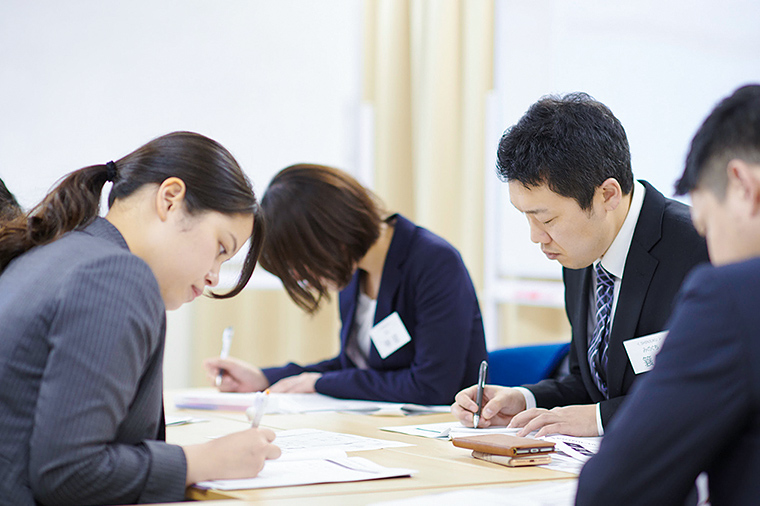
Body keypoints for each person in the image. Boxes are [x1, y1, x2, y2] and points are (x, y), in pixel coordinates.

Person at [0, 132, 280, 505]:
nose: (214, 276)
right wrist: (202, 461)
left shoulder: (58, 251)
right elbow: (68, 473)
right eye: (220, 248)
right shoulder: (116, 275)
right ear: (170, 199)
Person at [452, 92, 708, 437]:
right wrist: (525, 400)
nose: (536, 237)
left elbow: (703, 389)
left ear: (607, 195)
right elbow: (593, 383)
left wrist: (600, 419)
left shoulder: (700, 248)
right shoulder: (582, 250)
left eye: (547, 219)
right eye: (526, 217)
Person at [576, 85, 760, 505]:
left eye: (708, 225)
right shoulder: (584, 263)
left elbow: (614, 488)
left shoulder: (733, 296)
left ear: (742, 187)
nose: (712, 249)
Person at [204, 164, 487, 405]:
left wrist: (322, 384)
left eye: (301, 264)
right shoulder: (354, 272)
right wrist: (265, 377)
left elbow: (432, 386)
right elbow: (352, 366)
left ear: (329, 236)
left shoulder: (434, 262)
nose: (304, 279)